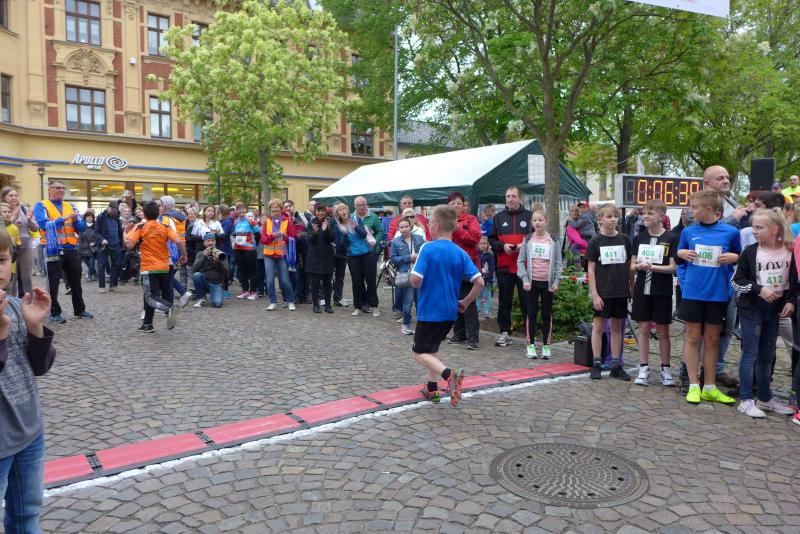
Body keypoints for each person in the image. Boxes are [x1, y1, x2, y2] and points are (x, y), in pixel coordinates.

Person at [0, 229, 56, 533]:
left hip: (28, 432)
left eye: (1, 260)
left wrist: (35, 327)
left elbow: (39, 366)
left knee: (27, 514)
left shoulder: (14, 305)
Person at [410, 204, 483, 406]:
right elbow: (479, 282)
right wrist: (466, 302)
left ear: (435, 225)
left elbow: (415, 280)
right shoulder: (460, 252)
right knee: (431, 348)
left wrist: (413, 272)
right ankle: (432, 388)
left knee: (419, 353)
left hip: (430, 310)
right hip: (451, 312)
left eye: (429, 224)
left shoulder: (428, 248)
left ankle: (450, 374)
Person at [676, 189, 740, 405]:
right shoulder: (688, 232)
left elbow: (740, 257)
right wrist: (681, 254)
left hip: (718, 294)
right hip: (693, 293)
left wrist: (734, 257)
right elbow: (680, 257)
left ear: (709, 210)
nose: (690, 211)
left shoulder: (731, 232)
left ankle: (710, 387)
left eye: (694, 207)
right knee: (692, 338)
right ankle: (694, 385)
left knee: (712, 340)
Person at [731, 208, 797, 418]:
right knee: (750, 353)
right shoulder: (750, 252)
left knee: (767, 355)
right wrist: (759, 289)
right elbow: (737, 281)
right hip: (752, 309)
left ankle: (765, 397)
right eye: (754, 227)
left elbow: (794, 281)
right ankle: (746, 399)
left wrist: (791, 301)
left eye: (759, 227)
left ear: (774, 229)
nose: (754, 230)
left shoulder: (789, 250)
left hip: (775, 310)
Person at [630, 199, 677, 387]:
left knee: (663, 331)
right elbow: (632, 265)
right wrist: (636, 266)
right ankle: (643, 369)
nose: (645, 216)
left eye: (650, 213)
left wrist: (652, 267)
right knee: (643, 329)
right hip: (642, 289)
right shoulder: (639, 238)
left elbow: (673, 268)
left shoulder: (671, 238)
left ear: (661, 216)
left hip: (662, 291)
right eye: (644, 213)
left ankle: (666, 370)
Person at [33, 180, 92, 323]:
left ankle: (79, 309)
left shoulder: (71, 206)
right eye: (58, 188)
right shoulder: (41, 205)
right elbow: (44, 224)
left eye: (63, 188)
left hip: (71, 248)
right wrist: (65, 218)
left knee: (76, 281)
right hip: (52, 248)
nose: (61, 190)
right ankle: (54, 313)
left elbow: (81, 227)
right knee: (53, 282)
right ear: (50, 190)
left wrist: (76, 221)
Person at [124, 201, 187, 333]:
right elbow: (178, 241)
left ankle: (169, 308)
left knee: (150, 297)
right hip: (164, 266)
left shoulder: (140, 226)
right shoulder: (164, 226)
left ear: (144, 214)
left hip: (149, 267)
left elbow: (129, 245)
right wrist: (184, 255)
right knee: (153, 295)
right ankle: (148, 324)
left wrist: (125, 233)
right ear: (158, 213)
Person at [587, 204, 632, 381]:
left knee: (616, 328)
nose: (613, 220)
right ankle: (596, 363)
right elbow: (591, 270)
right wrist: (595, 295)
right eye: (609, 216)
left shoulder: (625, 239)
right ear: (600, 219)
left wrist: (631, 288)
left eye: (615, 216)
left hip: (620, 291)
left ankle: (616, 365)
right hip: (603, 291)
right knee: (598, 327)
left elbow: (629, 266)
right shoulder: (595, 241)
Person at [517, 209, 563, 360]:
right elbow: (520, 261)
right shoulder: (527, 239)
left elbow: (558, 262)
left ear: (546, 221)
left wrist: (556, 281)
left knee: (547, 314)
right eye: (535, 220)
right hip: (532, 283)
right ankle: (530, 344)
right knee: (531, 313)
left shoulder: (554, 240)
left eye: (540, 220)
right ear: (531, 223)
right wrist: (525, 279)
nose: (537, 223)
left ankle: (546, 345)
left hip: (547, 283)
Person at [488, 186, 531, 347]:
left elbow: (537, 237)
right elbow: (491, 239)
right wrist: (502, 246)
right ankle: (505, 333)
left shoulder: (530, 216)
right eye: (508, 196)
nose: (510, 199)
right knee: (504, 302)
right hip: (504, 267)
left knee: (527, 302)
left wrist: (523, 246)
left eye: (513, 196)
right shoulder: (498, 218)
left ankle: (530, 334)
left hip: (524, 268)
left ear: (520, 198)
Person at [446, 192, 482, 350]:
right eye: (452, 203)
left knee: (468, 302)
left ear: (463, 205)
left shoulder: (471, 219)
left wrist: (457, 230)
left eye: (459, 203)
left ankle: (473, 338)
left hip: (467, 267)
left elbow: (475, 238)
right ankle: (459, 334)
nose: (456, 206)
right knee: (454, 301)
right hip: (450, 267)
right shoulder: (445, 221)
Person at [1, 187, 39, 299]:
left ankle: (28, 300)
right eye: (11, 195)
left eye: (16, 195)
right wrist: (13, 218)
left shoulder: (24, 209)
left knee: (26, 276)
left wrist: (29, 220)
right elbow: (5, 226)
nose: (14, 198)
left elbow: (36, 228)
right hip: (8, 247)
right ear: (4, 197)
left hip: (25, 245)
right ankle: (10, 301)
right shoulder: (2, 209)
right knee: (11, 276)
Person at [348, 196, 383, 316]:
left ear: (366, 205)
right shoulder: (350, 217)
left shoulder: (373, 216)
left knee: (370, 280)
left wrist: (375, 242)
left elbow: (380, 232)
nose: (361, 207)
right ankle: (358, 306)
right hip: (354, 253)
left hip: (369, 252)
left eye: (363, 205)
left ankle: (374, 305)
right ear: (355, 206)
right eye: (359, 205)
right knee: (357, 281)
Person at [261, 199, 296, 311]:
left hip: (282, 255)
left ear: (281, 209)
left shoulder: (287, 221)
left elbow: (292, 238)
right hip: (269, 255)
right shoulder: (267, 222)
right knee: (270, 280)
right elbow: (263, 240)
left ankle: (290, 301)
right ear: (270, 209)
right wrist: (272, 236)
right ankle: (272, 302)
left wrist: (283, 236)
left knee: (285, 280)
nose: (275, 209)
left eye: (277, 207)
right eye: (273, 207)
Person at [391, 218, 425, 335]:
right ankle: (405, 325)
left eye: (406, 226)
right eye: (402, 227)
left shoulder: (419, 238)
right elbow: (393, 259)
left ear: (410, 227)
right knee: (408, 300)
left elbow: (425, 253)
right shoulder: (396, 242)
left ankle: (422, 325)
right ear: (398, 229)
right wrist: (409, 257)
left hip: (419, 273)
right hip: (406, 274)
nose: (404, 229)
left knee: (420, 300)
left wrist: (418, 256)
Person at [305, 203, 335, 313]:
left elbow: (331, 239)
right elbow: (310, 240)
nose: (321, 213)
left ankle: (328, 305)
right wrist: (314, 233)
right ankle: (316, 305)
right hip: (315, 256)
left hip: (327, 256)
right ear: (315, 212)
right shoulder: (311, 223)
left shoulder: (330, 222)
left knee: (328, 282)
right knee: (315, 282)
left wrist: (326, 230)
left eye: (323, 210)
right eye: (319, 210)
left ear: (325, 211)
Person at [231, 202, 259, 300]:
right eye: (239, 209)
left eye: (243, 208)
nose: (241, 210)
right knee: (242, 270)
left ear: (246, 210)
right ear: (236, 211)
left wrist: (253, 244)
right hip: (238, 249)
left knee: (252, 270)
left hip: (250, 249)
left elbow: (258, 235)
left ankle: (253, 292)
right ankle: (245, 291)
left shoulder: (251, 220)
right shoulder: (235, 222)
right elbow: (234, 234)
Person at [192, 232, 227, 308]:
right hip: (204, 282)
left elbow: (226, 272)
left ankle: (214, 294)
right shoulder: (200, 254)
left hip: (216, 283)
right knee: (196, 275)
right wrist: (203, 256)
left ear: (215, 242)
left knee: (217, 304)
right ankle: (201, 298)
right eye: (208, 241)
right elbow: (194, 270)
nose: (211, 243)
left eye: (212, 240)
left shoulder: (221, 254)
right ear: (204, 243)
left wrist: (218, 262)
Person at [94, 201, 124, 293]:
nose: (115, 212)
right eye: (114, 210)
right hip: (104, 245)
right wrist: (102, 239)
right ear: (109, 208)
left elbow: (120, 232)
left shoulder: (117, 218)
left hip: (116, 244)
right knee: (101, 265)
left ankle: (113, 286)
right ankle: (101, 286)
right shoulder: (101, 217)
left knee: (116, 265)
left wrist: (122, 244)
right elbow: (96, 232)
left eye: (116, 210)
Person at [332, 204, 350, 307]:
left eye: (344, 209)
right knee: (328, 277)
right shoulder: (332, 223)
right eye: (340, 210)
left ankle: (337, 298)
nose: (343, 211)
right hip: (332, 254)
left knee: (340, 278)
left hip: (343, 255)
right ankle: (324, 297)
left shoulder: (349, 223)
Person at [478, 236, 494, 319]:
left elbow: (491, 268)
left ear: (487, 245)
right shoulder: (477, 254)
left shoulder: (489, 255)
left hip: (487, 278)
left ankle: (487, 311)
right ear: (478, 244)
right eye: (481, 243)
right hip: (478, 278)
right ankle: (477, 310)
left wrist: (490, 279)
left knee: (487, 294)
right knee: (478, 295)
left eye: (484, 243)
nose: (483, 245)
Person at [78, 210, 97, 283]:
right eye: (87, 217)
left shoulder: (96, 226)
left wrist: (94, 243)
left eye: (90, 217)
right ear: (85, 218)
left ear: (93, 218)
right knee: (88, 263)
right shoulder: (82, 226)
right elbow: (80, 239)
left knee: (91, 262)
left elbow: (98, 237)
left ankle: (89, 276)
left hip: (92, 248)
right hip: (83, 248)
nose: (89, 218)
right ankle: (95, 274)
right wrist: (81, 246)